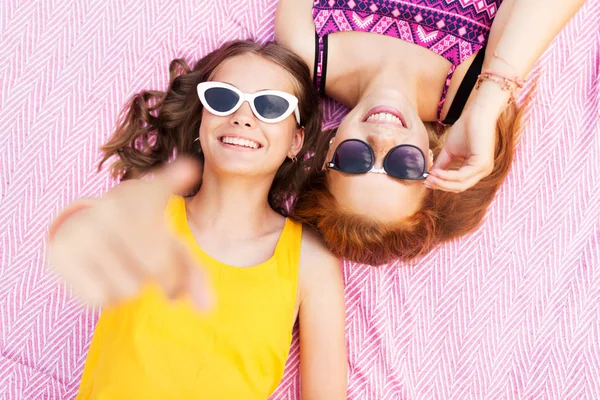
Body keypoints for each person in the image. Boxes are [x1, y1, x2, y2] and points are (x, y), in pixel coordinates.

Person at [48, 40, 347, 399]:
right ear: (201, 120)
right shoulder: (147, 211)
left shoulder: (311, 261)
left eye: (270, 106)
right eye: (223, 98)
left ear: (295, 141)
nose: (242, 116)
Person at [275, 0, 586, 264]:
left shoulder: (306, 50)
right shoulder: (471, 88)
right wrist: (488, 103)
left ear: (329, 152)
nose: (382, 140)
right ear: (430, 159)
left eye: (357, 159)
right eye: (404, 165)